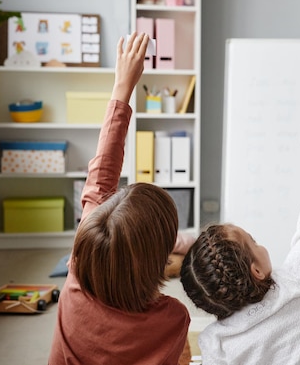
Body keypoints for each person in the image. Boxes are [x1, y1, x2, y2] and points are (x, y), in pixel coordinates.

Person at [49, 32, 191, 365]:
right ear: (160, 260)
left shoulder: (76, 275)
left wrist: (122, 86)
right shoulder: (172, 319)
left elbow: (102, 172)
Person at [180, 132, 300, 365]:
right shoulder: (295, 283)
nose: (259, 244)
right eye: (253, 241)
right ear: (256, 271)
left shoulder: (214, 342)